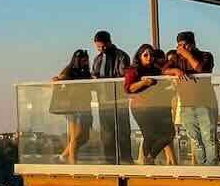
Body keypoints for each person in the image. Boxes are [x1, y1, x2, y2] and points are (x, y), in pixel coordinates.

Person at [124, 44, 177, 164]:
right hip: (140, 107)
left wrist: (171, 86)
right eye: (145, 55)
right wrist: (144, 83)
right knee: (149, 135)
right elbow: (128, 88)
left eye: (151, 55)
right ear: (139, 56)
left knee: (169, 134)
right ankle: (148, 162)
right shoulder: (133, 70)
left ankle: (150, 158)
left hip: (156, 106)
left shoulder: (156, 68)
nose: (149, 57)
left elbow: (163, 79)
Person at [174, 31, 219, 165]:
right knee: (196, 139)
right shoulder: (177, 60)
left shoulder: (206, 56)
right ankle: (202, 166)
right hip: (186, 105)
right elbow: (164, 69)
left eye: (185, 45)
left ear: (192, 44)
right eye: (179, 46)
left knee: (209, 138)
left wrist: (187, 55)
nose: (182, 48)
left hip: (205, 104)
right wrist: (176, 71)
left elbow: (199, 68)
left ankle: (212, 168)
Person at [91, 31, 132, 163]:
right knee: (107, 133)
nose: (101, 49)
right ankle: (109, 161)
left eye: (103, 46)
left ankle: (126, 160)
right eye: (98, 47)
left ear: (109, 42)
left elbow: (123, 76)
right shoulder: (97, 59)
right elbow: (94, 76)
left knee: (123, 131)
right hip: (104, 101)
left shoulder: (121, 56)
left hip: (119, 100)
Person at [49, 50, 94, 164]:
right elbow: (59, 80)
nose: (85, 62)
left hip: (85, 106)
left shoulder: (85, 72)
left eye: (86, 60)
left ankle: (63, 156)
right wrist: (57, 80)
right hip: (73, 107)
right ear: (76, 60)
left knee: (85, 137)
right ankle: (72, 162)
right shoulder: (70, 70)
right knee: (76, 136)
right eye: (83, 60)